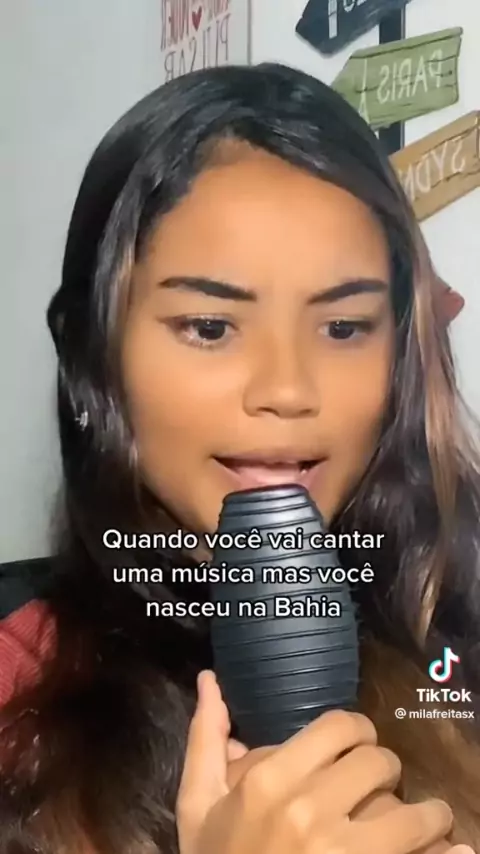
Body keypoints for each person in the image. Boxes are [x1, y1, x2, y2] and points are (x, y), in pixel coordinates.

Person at [1, 62, 479, 854]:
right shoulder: (18, 701)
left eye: (344, 328)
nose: (287, 390)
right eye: (211, 328)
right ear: (94, 357)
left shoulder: (455, 639)